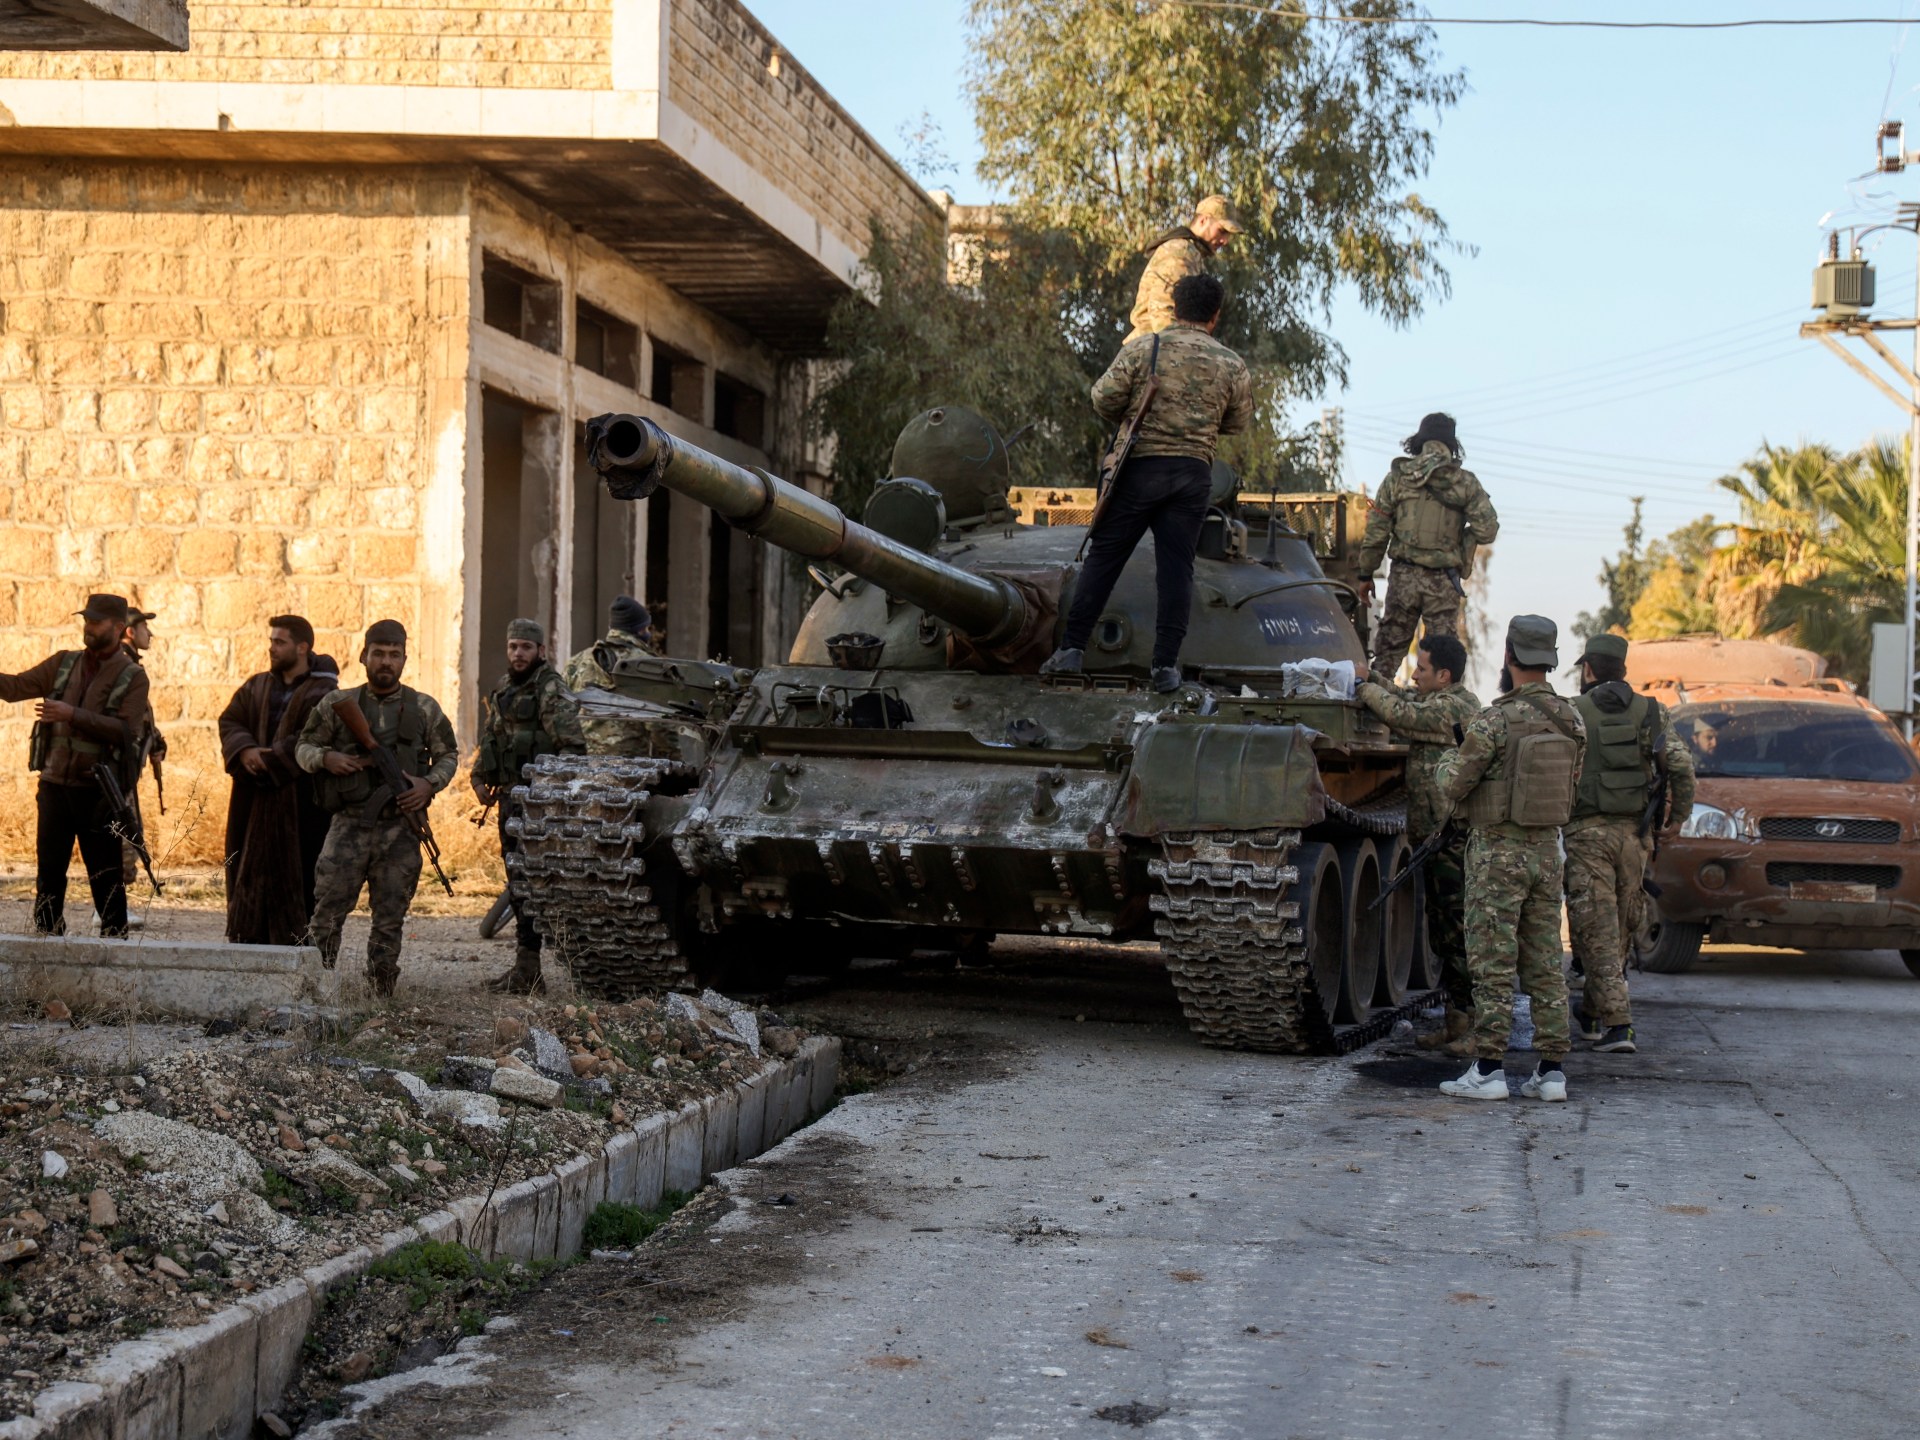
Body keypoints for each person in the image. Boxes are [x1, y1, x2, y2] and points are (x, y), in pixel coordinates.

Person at [1043, 272, 1253, 692]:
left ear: (1174, 308)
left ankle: (1070, 650)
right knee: (1177, 570)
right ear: (1215, 315)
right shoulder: (1232, 363)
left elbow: (1102, 397)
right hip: (1194, 474)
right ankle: (1165, 668)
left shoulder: (1145, 348)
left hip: (1139, 468)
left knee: (1105, 558)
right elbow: (1238, 420)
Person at [1435, 615, 1585, 1102]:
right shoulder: (1572, 719)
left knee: (1492, 961)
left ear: (1508, 657)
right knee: (1544, 961)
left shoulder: (1495, 719)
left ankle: (1489, 1068)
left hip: (1498, 853)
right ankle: (1552, 1070)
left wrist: (1441, 764)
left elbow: (1456, 784)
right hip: (1547, 851)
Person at [296, 620, 457, 997]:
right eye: (379, 654)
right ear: (364, 656)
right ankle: (315, 989)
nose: (386, 662)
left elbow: (448, 755)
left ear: (404, 659)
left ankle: (381, 993)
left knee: (389, 919)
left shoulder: (423, 708)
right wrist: (327, 758)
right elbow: (301, 747)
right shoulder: (337, 704)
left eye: (394, 655)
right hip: (349, 825)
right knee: (327, 913)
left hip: (400, 828)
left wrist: (427, 783)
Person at [1564, 633, 1697, 1054]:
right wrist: (1674, 821)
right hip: (1635, 837)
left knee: (1597, 929)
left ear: (1588, 670)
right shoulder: (1651, 713)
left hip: (1586, 835)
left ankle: (1619, 1025)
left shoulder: (1573, 712)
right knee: (1618, 927)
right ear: (1622, 670)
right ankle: (1590, 1013)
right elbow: (1681, 767)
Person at [1355, 633, 1481, 1054]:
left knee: (1458, 933)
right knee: (1444, 933)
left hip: (1453, 838)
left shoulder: (1456, 708)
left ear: (1443, 676)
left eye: (1422, 669)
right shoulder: (1440, 699)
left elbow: (1402, 714)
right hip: (1436, 837)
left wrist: (1363, 687)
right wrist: (1369, 674)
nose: (1414, 674)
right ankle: (1458, 1021)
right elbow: (1407, 697)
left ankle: (1472, 1025)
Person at [0, 594, 151, 937]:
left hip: (98, 793)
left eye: (97, 622)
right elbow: (15, 687)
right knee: (49, 873)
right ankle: (46, 945)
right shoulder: (64, 663)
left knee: (105, 878)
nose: (89, 627)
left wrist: (72, 715)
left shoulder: (133, 676)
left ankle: (115, 952)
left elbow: (126, 732)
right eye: (87, 620)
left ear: (118, 628)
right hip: (54, 786)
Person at [471, 618, 586, 994]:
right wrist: (478, 778)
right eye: (512, 647)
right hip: (508, 799)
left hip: (538, 805)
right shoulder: (505, 687)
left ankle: (557, 965)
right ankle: (527, 968)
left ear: (540, 651)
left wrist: (552, 796)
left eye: (525, 647)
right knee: (517, 883)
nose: (518, 654)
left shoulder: (550, 689)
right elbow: (492, 736)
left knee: (539, 884)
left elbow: (572, 749)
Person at [217, 616, 340, 945]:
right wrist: (245, 752)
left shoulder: (324, 693)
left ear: (302, 647)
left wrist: (268, 759)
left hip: (302, 805)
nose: (271, 647)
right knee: (244, 866)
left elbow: (316, 737)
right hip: (251, 797)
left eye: (280, 642)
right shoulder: (256, 685)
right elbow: (231, 719)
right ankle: (249, 942)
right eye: (271, 640)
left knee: (301, 875)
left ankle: (297, 949)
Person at [1355, 414, 1500, 680]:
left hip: (1403, 579)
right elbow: (1488, 529)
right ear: (1451, 444)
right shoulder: (1465, 483)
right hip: (1443, 582)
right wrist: (1461, 543)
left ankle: (1374, 714)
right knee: (1442, 661)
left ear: (1419, 440)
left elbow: (1377, 532)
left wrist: (1365, 574)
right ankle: (1436, 717)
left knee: (1386, 657)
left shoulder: (1398, 478)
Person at [109, 607, 166, 929]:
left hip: (125, 770)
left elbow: (141, 720)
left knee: (126, 834)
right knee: (122, 836)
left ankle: (110, 906)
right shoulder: (125, 668)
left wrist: (155, 742)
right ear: (130, 631)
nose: (151, 635)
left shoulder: (128, 666)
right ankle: (107, 907)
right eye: (145, 628)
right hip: (117, 772)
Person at [1124, 194, 1242, 343]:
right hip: (1153, 351)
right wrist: (1180, 355)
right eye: (1221, 231)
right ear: (1203, 220)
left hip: (1153, 349)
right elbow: (1163, 311)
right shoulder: (1181, 251)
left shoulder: (1190, 253)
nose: (1225, 240)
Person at [563, 597, 661, 752]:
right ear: (640, 630)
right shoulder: (647, 665)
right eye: (646, 628)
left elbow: (563, 715)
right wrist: (671, 762)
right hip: (633, 766)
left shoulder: (575, 663)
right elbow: (660, 723)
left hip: (584, 765)